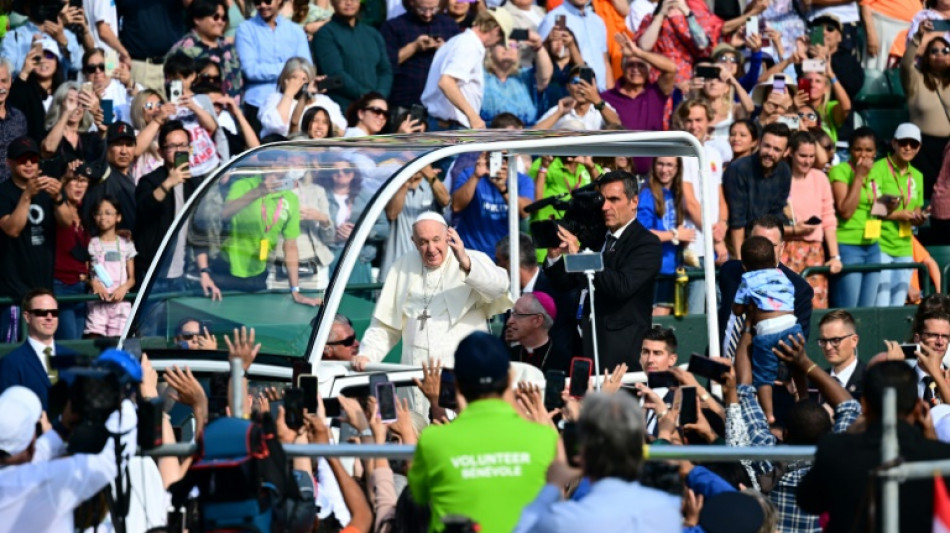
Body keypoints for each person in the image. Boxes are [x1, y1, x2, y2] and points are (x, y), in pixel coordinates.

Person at [408, 332, 558, 532]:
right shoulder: (544, 438)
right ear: (510, 377)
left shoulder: (433, 440)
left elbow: (418, 497)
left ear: (457, 384)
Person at [798, 361, 950, 532]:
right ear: (918, 406)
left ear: (864, 404)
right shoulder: (940, 457)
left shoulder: (835, 450)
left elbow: (809, 501)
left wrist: (847, 435)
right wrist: (931, 437)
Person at [352, 212, 511, 373]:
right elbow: (385, 326)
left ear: (448, 236)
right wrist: (367, 355)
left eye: (436, 240)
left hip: (462, 372)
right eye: (423, 242)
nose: (431, 249)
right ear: (414, 242)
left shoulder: (472, 258)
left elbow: (500, 287)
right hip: (414, 371)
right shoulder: (402, 266)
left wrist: (466, 262)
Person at [544, 171, 662, 372]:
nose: (606, 207)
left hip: (618, 354)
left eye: (614, 199)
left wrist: (579, 255)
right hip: (580, 345)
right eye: (603, 200)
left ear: (634, 202)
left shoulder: (646, 243)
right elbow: (565, 283)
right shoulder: (597, 239)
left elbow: (621, 286)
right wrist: (555, 255)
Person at [513, 392, 680, 533]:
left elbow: (523, 527)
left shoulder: (568, 520)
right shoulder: (669, 508)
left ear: (583, 454)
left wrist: (553, 485)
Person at [0, 385, 136, 532]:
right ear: (30, 444)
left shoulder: (14, 479)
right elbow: (109, 460)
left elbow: (30, 458)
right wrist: (125, 402)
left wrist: (63, 427)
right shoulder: (43, 484)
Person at [135, 121, 220, 300]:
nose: (179, 150)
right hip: (153, 273)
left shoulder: (194, 184)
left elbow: (198, 232)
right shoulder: (150, 181)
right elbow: (143, 212)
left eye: (183, 145)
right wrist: (168, 184)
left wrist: (204, 271)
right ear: (161, 152)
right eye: (172, 146)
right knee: (149, 326)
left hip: (182, 273)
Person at [0, 137, 70, 343]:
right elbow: (12, 229)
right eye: (22, 160)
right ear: (9, 163)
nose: (29, 164)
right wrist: (26, 196)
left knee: (44, 350)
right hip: (13, 293)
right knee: (11, 351)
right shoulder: (4, 193)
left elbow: (66, 223)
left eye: (33, 159)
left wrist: (58, 198)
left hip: (44, 288)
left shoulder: (48, 190)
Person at [717, 216, 814, 355]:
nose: (764, 249)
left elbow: (795, 346)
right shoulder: (730, 271)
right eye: (758, 242)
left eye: (771, 245)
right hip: (722, 367)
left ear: (782, 248)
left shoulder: (799, 289)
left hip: (765, 370)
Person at [734, 235, 801, 423]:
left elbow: (737, 310)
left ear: (744, 266)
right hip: (792, 325)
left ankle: (768, 414)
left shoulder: (747, 278)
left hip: (767, 331)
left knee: (764, 376)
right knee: (798, 364)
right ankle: (802, 397)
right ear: (774, 260)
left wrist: (747, 307)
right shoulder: (783, 275)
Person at [421, 8, 514, 130]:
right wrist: (474, 117)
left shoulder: (455, 41)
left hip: (441, 124)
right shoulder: (469, 45)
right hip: (451, 128)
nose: (496, 43)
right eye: (500, 40)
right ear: (496, 31)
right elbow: (446, 82)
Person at [782, 131, 841, 309]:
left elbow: (829, 218)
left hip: (814, 251)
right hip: (785, 248)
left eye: (811, 156)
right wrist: (793, 230)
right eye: (802, 155)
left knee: (815, 305)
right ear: (791, 152)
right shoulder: (781, 177)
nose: (807, 161)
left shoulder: (820, 178)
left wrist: (834, 256)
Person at [600, 33, 676, 173]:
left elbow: (671, 68)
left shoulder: (656, 92)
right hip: (618, 174)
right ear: (622, 68)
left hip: (653, 176)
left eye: (640, 65)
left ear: (648, 69)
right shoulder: (607, 97)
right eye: (630, 65)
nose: (635, 69)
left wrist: (638, 52)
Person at [235, 0, 311, 133]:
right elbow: (251, 70)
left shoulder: (296, 31)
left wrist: (288, 71)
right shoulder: (245, 29)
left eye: (268, 1)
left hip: (294, 104)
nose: (263, 5)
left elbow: (306, 68)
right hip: (258, 102)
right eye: (258, 2)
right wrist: (290, 70)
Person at [828, 127, 882, 308]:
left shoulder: (877, 172)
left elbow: (877, 208)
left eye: (869, 150)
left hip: (873, 245)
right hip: (848, 245)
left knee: (868, 308)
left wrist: (889, 205)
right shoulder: (841, 171)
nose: (863, 155)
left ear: (875, 152)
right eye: (858, 149)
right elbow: (845, 210)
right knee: (849, 308)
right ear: (850, 150)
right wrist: (858, 177)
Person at [0, 289, 79, 410]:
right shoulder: (11, 363)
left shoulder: (73, 357)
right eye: (41, 313)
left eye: (54, 312)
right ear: (27, 317)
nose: (49, 317)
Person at [874, 123, 925, 307]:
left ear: (919, 147)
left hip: (904, 245)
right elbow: (872, 208)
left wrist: (919, 216)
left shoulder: (917, 176)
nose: (908, 148)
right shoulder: (878, 168)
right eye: (904, 143)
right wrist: (898, 215)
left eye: (914, 144)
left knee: (898, 303)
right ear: (894, 143)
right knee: (882, 301)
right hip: (881, 242)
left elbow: (916, 206)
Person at [724, 122, 793, 255]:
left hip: (766, 242)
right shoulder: (739, 169)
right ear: (759, 142)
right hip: (736, 241)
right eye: (767, 146)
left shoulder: (785, 171)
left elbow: (776, 215)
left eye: (777, 149)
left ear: (787, 152)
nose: (770, 153)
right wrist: (740, 261)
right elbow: (737, 220)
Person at [451, 152, 535, 260]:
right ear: (487, 155)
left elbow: (525, 212)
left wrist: (502, 188)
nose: (502, 160)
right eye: (497, 155)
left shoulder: (522, 180)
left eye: (506, 156)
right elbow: (456, 206)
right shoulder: (470, 174)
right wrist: (476, 177)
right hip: (471, 252)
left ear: (514, 156)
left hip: (503, 257)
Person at [312, 0, 394, 111]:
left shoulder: (373, 34)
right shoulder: (325, 34)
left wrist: (380, 95)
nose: (349, 2)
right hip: (344, 109)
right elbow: (335, 74)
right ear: (332, 2)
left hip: (376, 110)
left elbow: (385, 70)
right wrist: (368, 98)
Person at [637, 156, 694, 315]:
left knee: (667, 326)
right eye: (660, 164)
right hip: (655, 271)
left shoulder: (675, 193)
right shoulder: (647, 193)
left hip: (672, 269)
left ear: (677, 168)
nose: (664, 170)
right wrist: (675, 234)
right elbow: (643, 234)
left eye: (670, 165)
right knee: (656, 325)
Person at [380, 0, 461, 109]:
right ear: (412, 2)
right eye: (422, 9)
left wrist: (445, 49)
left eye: (433, 9)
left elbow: (461, 62)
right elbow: (386, 64)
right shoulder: (393, 26)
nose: (428, 14)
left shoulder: (450, 25)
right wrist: (413, 47)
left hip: (442, 103)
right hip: (407, 101)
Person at [903, 19, 950, 198]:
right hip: (921, 149)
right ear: (926, 56)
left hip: (948, 149)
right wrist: (918, 37)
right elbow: (906, 64)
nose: (939, 54)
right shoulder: (916, 79)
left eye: (945, 51)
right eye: (934, 51)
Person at [381, 163, 450, 280]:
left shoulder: (433, 186)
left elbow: (445, 200)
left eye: (418, 162)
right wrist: (405, 182)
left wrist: (429, 175)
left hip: (427, 265)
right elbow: (391, 214)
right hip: (396, 263)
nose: (415, 165)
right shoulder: (392, 187)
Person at [167, 0, 244, 101]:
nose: (220, 22)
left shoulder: (229, 48)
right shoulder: (183, 50)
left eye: (224, 18)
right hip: (197, 114)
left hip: (231, 114)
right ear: (197, 19)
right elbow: (175, 95)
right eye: (215, 17)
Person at [633, 0, 722, 85]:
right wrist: (660, 16)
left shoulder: (699, 17)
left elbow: (702, 44)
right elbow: (644, 46)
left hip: (688, 78)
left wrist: (688, 15)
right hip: (659, 77)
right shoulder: (650, 18)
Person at [85, 195, 136, 337]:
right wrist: (93, 283)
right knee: (93, 342)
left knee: (117, 344)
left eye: (108, 213)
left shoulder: (126, 244)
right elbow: (84, 274)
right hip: (97, 303)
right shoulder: (90, 243)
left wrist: (123, 288)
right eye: (99, 213)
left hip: (120, 304)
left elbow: (132, 279)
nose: (102, 217)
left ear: (118, 217)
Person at [259, 57, 346, 140]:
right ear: (285, 80)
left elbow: (340, 132)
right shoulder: (275, 99)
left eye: (304, 79)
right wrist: (289, 93)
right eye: (294, 77)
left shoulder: (324, 101)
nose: (299, 83)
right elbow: (276, 125)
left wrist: (322, 123)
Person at [537, 0, 615, 92]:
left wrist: (610, 94)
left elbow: (605, 61)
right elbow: (540, 59)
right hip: (572, 93)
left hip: (601, 93)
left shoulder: (597, 21)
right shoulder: (554, 19)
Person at [479, 31, 552, 126]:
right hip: (490, 135)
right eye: (502, 43)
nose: (508, 48)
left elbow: (545, 77)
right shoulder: (480, 75)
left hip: (525, 137)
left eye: (513, 45)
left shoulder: (525, 76)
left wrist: (538, 47)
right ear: (490, 49)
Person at [52, 166, 91, 340]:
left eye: (83, 181)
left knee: (79, 344)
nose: (79, 186)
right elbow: (49, 198)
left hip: (81, 287)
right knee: (69, 343)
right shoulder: (54, 208)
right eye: (74, 180)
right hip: (61, 285)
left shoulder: (86, 211)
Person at [116, 0, 189, 92]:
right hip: (140, 66)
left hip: (174, 67)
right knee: (141, 105)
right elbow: (108, 25)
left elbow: (196, 7)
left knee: (177, 105)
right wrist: (121, 53)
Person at [1, 1, 85, 77]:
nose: (44, 8)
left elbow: (78, 65)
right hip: (26, 90)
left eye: (47, 4)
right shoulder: (14, 36)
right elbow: (7, 72)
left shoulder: (65, 34)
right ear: (27, 8)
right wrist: (30, 58)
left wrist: (63, 42)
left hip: (57, 92)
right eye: (39, 3)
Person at [9, 39, 67, 144]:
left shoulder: (66, 91)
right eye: (38, 57)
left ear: (57, 62)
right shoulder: (22, 89)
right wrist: (24, 72)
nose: (43, 60)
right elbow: (12, 106)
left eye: (49, 56)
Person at [534, 65, 621, 130]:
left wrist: (597, 100)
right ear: (568, 87)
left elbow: (617, 126)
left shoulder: (602, 108)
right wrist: (559, 113)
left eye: (585, 82)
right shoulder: (559, 109)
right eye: (575, 81)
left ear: (594, 85)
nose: (580, 86)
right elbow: (532, 136)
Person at [504, 291, 570, 373]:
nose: (509, 321)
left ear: (537, 321)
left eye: (518, 314)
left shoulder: (563, 361)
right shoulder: (506, 358)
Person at [816, 309, 866, 399]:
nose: (828, 347)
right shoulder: (815, 382)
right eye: (823, 341)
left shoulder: (870, 380)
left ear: (854, 340)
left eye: (836, 340)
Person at [0, 59, 27, 184]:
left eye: (4, 81)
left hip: (14, 192)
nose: (1, 87)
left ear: (11, 81)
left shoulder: (19, 117)